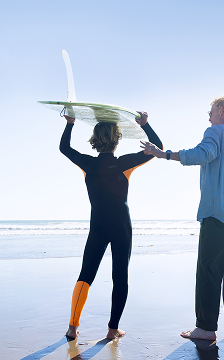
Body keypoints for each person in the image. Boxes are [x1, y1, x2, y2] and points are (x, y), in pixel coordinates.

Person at [141, 97, 224, 341]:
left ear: (220, 111)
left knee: (209, 270)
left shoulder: (216, 132)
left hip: (217, 216)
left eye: (210, 112)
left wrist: (163, 154)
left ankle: (206, 328)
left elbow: (203, 154)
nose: (208, 118)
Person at [60, 111, 163, 340]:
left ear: (95, 140)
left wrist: (70, 124)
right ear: (117, 140)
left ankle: (73, 328)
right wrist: (145, 125)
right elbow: (157, 149)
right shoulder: (125, 163)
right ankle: (112, 329)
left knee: (86, 274)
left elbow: (64, 149)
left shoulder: (87, 163)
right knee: (120, 277)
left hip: (98, 226)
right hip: (121, 228)